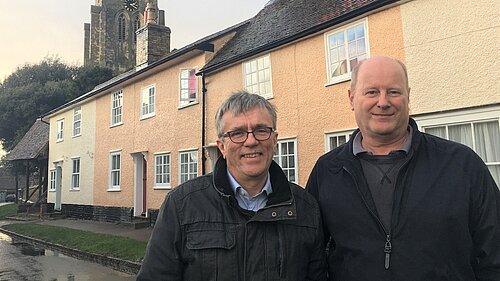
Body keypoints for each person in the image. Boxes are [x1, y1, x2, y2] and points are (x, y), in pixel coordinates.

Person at [306, 56, 500, 281]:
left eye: (393, 92)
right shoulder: (327, 171)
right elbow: (311, 257)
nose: (383, 101)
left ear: (408, 96)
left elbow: (494, 254)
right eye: (371, 92)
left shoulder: (461, 164)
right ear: (351, 98)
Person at [137, 91, 327, 281]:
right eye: (237, 133)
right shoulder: (181, 205)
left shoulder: (306, 208)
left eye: (261, 130)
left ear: (274, 140)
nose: (251, 141)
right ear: (222, 147)